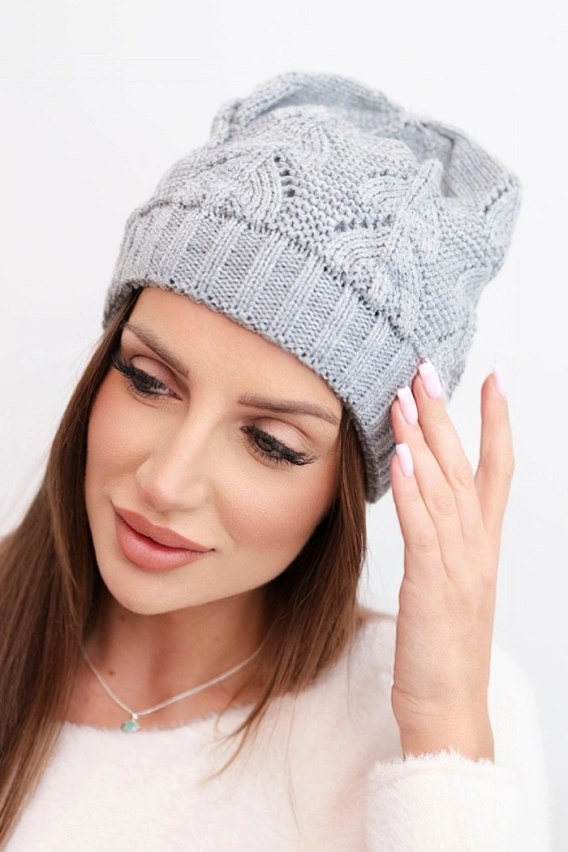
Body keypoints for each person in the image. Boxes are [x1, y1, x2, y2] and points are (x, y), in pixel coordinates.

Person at [0, 70, 550, 850]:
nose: (166, 481)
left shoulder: (454, 716)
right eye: (147, 380)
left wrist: (442, 726)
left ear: (347, 486)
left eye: (271, 443)